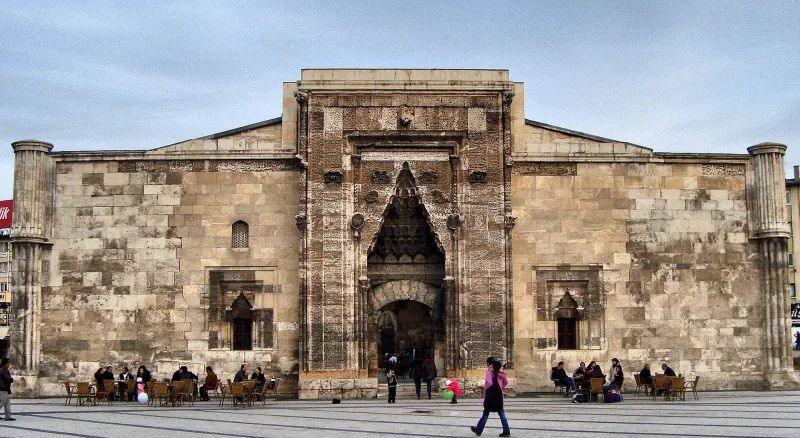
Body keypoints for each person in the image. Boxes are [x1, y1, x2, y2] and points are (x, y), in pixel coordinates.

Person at [471, 359, 510, 437]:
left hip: (491, 395)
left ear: (488, 363)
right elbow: (506, 382)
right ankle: (506, 431)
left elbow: (489, 383)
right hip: (499, 396)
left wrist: (485, 391)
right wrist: (500, 388)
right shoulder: (501, 372)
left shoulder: (489, 371)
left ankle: (479, 429)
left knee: (486, 412)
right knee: (501, 413)